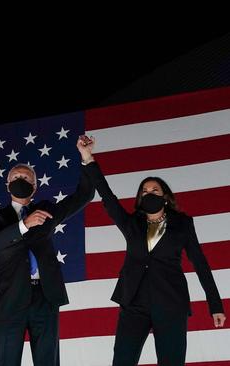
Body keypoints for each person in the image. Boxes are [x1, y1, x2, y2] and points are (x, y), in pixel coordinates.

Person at [80, 135, 226, 366]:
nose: (149, 192)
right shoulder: (131, 224)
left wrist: (215, 306)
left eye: (155, 189)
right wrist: (88, 158)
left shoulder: (183, 224)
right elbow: (107, 197)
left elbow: (200, 263)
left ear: (165, 197)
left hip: (171, 304)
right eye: (144, 191)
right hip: (134, 303)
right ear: (139, 199)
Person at [0, 137, 95, 366]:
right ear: (7, 184)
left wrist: (86, 157)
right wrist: (25, 224)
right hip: (11, 302)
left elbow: (83, 196)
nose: (20, 179)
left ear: (34, 186)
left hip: (45, 297)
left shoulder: (45, 211)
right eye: (15, 177)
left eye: (26, 178)